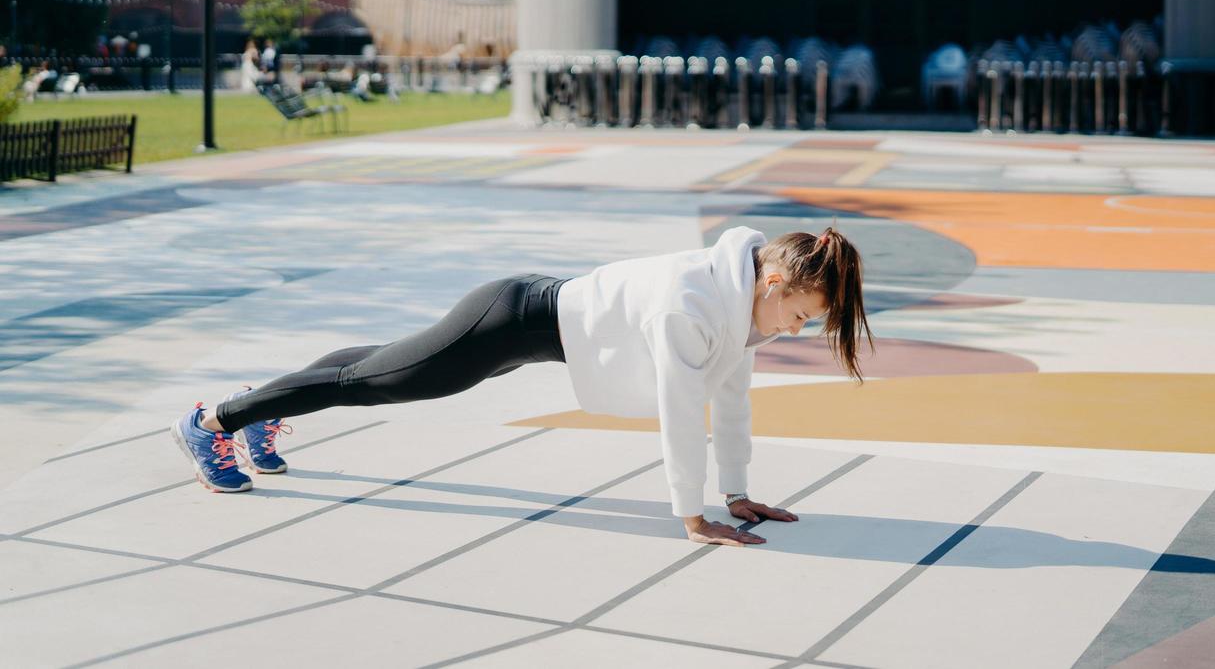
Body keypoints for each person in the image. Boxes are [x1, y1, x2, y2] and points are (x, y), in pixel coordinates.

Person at [172, 227, 872, 547]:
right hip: (511, 320)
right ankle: (216, 420)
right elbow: (683, 411)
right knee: (380, 382)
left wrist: (737, 488)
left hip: (534, 325)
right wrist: (692, 514)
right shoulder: (691, 304)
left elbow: (732, 395)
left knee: (380, 366)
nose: (792, 331)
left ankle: (264, 404)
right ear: (775, 282)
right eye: (801, 317)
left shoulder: (738, 299)